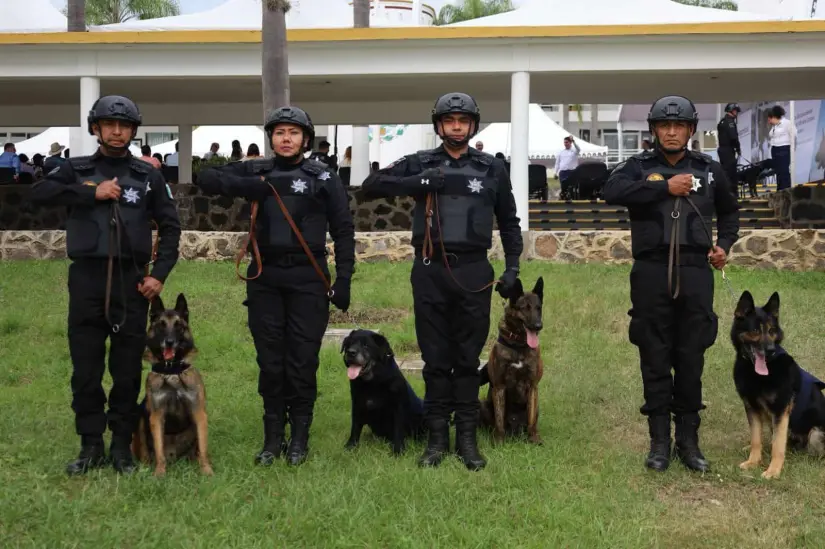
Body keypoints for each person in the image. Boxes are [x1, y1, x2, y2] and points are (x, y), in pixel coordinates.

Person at [362, 92, 523, 471]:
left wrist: (512, 268)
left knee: (467, 359)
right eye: (449, 120)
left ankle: (466, 439)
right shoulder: (421, 162)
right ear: (438, 125)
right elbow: (371, 184)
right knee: (434, 358)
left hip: (474, 272)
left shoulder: (490, 168)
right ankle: (436, 440)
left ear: (472, 125)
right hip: (431, 270)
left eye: (462, 120)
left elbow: (511, 222)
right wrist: (419, 181)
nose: (455, 125)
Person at [29, 94, 182, 476]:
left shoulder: (148, 175)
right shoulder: (74, 168)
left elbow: (171, 226)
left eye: (124, 125)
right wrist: (89, 192)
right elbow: (37, 195)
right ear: (95, 128)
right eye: (109, 124)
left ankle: (121, 447)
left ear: (133, 129)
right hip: (86, 281)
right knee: (86, 368)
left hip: (133, 283)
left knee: (127, 368)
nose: (117, 131)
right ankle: (90, 445)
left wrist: (158, 275)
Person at [195, 106, 355, 467]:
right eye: (280, 132)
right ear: (271, 138)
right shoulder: (256, 169)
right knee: (270, 361)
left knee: (301, 361)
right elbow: (206, 178)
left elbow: (344, 231)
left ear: (306, 139)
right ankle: (272, 438)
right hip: (264, 278)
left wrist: (343, 279)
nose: (286, 139)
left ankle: (299, 437)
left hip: (308, 278)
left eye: (294, 133)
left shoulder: (323, 177)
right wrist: (244, 186)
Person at [603, 95, 740, 474]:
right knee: (655, 354)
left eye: (679, 125)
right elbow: (611, 192)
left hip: (696, 271)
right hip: (651, 272)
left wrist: (723, 246)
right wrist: (665, 186)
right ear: (653, 130)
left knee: (691, 355)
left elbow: (730, 215)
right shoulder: (638, 167)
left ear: (691, 129)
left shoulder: (709, 169)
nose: (672, 131)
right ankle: (659, 443)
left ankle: (689, 442)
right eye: (664, 125)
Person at [767, 105, 796, 191]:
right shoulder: (774, 126)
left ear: (774, 117)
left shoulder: (787, 123)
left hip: (784, 149)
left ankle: (786, 190)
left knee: (784, 171)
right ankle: (779, 190)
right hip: (775, 150)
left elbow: (794, 135)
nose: (769, 121)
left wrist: (792, 149)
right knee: (778, 172)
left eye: (770, 118)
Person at [717, 103, 741, 197]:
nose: (737, 113)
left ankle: (727, 193)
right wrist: (738, 148)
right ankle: (732, 194)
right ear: (732, 111)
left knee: (725, 172)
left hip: (722, 150)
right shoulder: (730, 122)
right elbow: (733, 137)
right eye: (736, 111)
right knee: (731, 173)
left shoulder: (722, 121)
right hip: (728, 150)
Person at [557, 135, 580, 200]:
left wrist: (573, 141)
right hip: (563, 172)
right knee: (563, 187)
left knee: (571, 186)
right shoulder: (561, 152)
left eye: (567, 142)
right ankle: (563, 195)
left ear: (570, 143)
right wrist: (556, 173)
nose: (565, 144)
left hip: (571, 172)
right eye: (564, 142)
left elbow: (578, 149)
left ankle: (572, 195)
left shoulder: (574, 151)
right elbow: (557, 163)